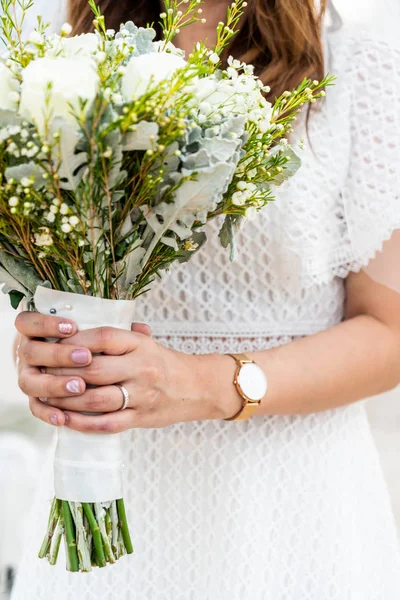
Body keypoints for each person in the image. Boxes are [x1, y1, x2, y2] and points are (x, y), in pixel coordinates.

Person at [11, 1, 400, 598]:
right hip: (99, 503)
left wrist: (207, 383)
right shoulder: (63, 55)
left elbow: (389, 332)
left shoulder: (360, 62)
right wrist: (47, 347)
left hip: (293, 519)